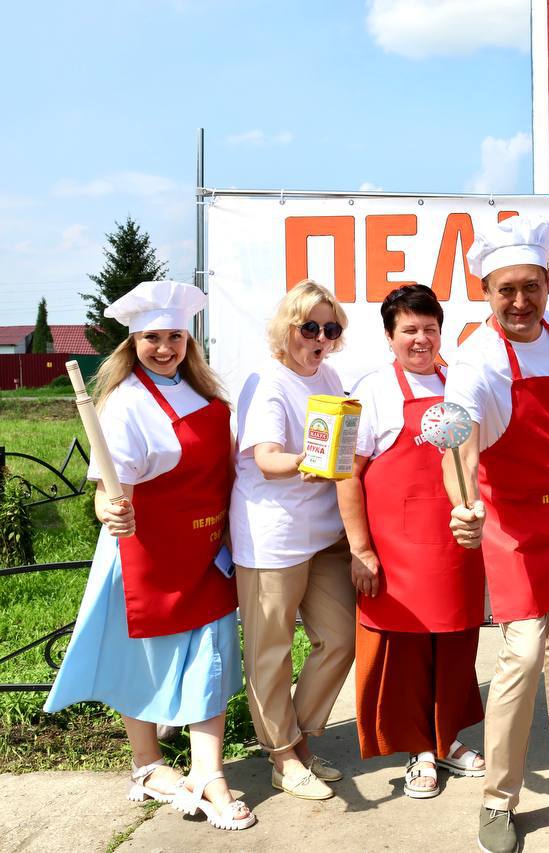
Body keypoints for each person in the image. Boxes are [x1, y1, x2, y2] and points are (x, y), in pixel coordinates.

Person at [45, 280, 255, 831]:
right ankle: (147, 764)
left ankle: (209, 771)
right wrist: (106, 510)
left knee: (210, 655)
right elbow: (107, 487)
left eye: (175, 337)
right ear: (132, 342)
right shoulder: (124, 404)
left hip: (206, 548)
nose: (165, 348)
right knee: (140, 659)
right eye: (153, 338)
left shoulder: (208, 398)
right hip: (145, 552)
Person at [443, 216, 549, 853]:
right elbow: (455, 436)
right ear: (486, 293)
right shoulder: (476, 361)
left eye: (530, 286)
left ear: (547, 285)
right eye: (505, 289)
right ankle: (498, 799)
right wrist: (462, 505)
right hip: (511, 525)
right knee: (523, 653)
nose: (519, 301)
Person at [336, 284, 486, 799]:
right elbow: (345, 474)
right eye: (409, 331)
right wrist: (360, 549)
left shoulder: (459, 385)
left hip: (455, 542)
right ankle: (417, 748)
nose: (420, 340)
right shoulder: (370, 389)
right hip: (396, 547)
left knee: (456, 641)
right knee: (404, 649)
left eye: (429, 329)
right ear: (389, 336)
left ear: (441, 331)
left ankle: (448, 740)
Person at [230, 280, 356, 802]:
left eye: (331, 328)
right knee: (270, 650)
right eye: (310, 327)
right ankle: (283, 755)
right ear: (287, 330)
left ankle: (297, 738)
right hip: (272, 537)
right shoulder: (269, 382)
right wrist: (304, 463)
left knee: (342, 638)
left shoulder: (328, 374)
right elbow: (266, 457)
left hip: (324, 534)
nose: (321, 337)